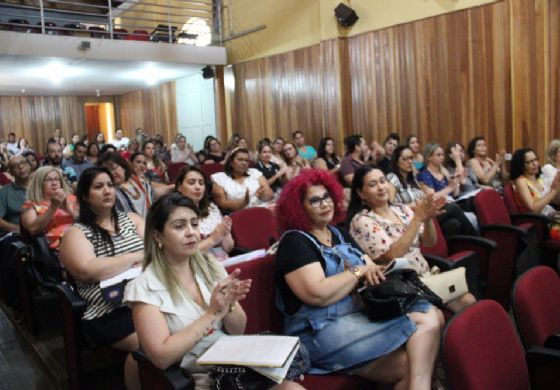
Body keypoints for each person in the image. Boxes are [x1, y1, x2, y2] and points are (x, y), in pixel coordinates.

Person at [275, 169, 441, 389]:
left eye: (326, 197)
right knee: (427, 318)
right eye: (314, 201)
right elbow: (317, 294)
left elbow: (369, 264)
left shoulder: (337, 233)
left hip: (353, 318)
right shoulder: (295, 242)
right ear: (298, 208)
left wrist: (369, 271)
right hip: (318, 333)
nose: (325, 204)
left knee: (410, 363)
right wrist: (358, 272)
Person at [59, 167, 144, 390]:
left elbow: (158, 250)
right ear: (86, 196)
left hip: (147, 298)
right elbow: (88, 270)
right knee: (150, 343)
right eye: (98, 187)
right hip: (108, 310)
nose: (107, 191)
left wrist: (114, 264)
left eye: (109, 185)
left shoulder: (132, 219)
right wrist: (134, 257)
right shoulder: (76, 233)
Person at [348, 165, 476, 313]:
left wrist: (427, 220)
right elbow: (392, 255)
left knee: (469, 300)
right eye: (373, 184)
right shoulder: (362, 221)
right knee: (437, 312)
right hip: (402, 286)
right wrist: (417, 219)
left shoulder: (401, 209)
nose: (381, 187)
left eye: (383, 181)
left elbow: (429, 242)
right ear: (360, 193)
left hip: (426, 277)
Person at [416, 144, 477, 237]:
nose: (442, 157)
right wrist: (450, 187)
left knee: (453, 224)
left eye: (443, 155)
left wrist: (456, 182)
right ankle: (476, 237)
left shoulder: (443, 171)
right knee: (454, 207)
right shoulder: (424, 174)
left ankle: (462, 246)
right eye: (438, 155)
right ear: (429, 157)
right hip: (436, 208)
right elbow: (432, 197)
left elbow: (455, 193)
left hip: (449, 203)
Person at [175, 166, 234, 260]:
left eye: (201, 183)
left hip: (222, 263)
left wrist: (226, 233)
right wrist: (212, 240)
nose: (198, 187)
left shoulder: (211, 208)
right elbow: (183, 255)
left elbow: (228, 248)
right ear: (179, 186)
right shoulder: (173, 214)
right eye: (191, 182)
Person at [21, 166, 78, 250]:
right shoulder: (30, 204)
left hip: (79, 239)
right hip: (54, 250)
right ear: (39, 183)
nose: (54, 183)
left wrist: (69, 209)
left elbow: (87, 222)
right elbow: (33, 230)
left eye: (57, 179)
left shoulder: (71, 198)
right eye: (48, 180)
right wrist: (53, 207)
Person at [99, 152, 156, 219]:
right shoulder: (110, 192)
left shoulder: (135, 180)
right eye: (107, 171)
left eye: (113, 168)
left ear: (123, 167)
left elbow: (155, 191)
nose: (111, 173)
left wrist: (170, 187)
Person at [510, 148, 560, 216]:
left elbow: (553, 201)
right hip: (540, 220)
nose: (534, 163)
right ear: (521, 165)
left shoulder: (539, 179)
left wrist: (557, 188)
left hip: (551, 213)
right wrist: (553, 191)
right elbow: (533, 209)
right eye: (529, 162)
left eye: (535, 159)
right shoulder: (521, 181)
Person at [0, 156, 31, 236]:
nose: (20, 167)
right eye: (15, 166)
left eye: (23, 163)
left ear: (29, 165)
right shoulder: (5, 191)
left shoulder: (41, 185)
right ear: (10, 172)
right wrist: (17, 229)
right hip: (18, 235)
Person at [540, 139, 560, 206]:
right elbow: (552, 190)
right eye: (559, 151)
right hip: (552, 204)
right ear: (553, 154)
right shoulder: (548, 168)